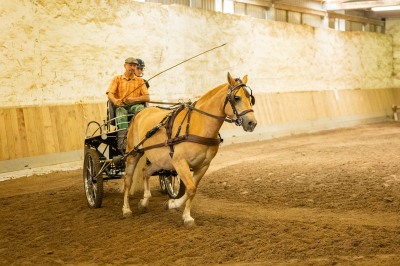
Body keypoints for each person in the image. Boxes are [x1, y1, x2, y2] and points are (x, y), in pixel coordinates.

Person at [106, 57, 150, 151]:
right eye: (130, 65)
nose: (133, 67)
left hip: (135, 105)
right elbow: (110, 93)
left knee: (141, 110)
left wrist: (133, 100)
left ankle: (142, 136)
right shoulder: (117, 79)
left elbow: (147, 98)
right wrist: (115, 100)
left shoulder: (140, 81)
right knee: (121, 111)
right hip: (121, 106)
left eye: (134, 65)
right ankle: (124, 142)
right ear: (125, 66)